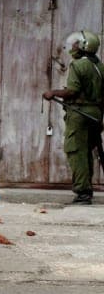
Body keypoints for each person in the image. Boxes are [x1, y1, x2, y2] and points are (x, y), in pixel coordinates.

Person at [43, 30, 104, 205]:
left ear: (85, 46)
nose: (74, 47)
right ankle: (87, 191)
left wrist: (52, 92)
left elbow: (72, 91)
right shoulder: (99, 66)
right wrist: (101, 119)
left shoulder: (78, 65)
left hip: (79, 115)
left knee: (77, 153)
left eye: (77, 44)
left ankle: (83, 194)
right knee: (87, 154)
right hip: (94, 115)